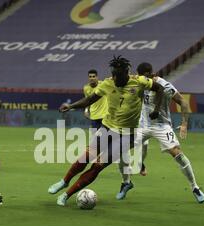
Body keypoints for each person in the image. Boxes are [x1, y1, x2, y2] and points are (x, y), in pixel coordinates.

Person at [48, 55, 164, 206]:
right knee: (85, 157)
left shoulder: (140, 81)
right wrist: (71, 106)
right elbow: (89, 99)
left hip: (127, 135)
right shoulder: (108, 83)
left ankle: (66, 195)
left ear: (125, 73)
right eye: (113, 74)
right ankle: (64, 181)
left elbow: (159, 88)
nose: (114, 78)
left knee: (97, 166)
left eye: (117, 76)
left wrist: (157, 109)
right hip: (107, 127)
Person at [115, 62, 204, 203]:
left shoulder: (165, 86)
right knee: (120, 150)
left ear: (151, 73)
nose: (144, 79)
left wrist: (184, 123)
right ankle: (126, 182)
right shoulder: (138, 82)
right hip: (142, 126)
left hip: (162, 126)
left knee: (178, 154)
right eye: (141, 77)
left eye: (146, 76)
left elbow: (183, 102)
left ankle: (195, 187)